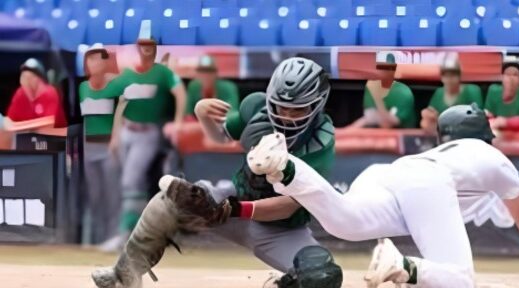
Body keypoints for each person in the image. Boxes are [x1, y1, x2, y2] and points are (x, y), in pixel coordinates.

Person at [247, 104, 519, 288]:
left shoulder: (445, 150)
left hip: (391, 171)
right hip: (427, 182)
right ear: (483, 134)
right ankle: (402, 265)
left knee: (343, 221)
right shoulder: (494, 157)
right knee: (460, 282)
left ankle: (286, 166)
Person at [92, 57, 342, 288]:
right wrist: (203, 115)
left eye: (296, 109)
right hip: (237, 196)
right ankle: (124, 273)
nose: (286, 117)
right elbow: (220, 137)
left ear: (317, 104)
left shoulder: (321, 139)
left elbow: (289, 205)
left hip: (281, 229)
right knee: (171, 199)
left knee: (321, 275)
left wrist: (236, 209)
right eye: (280, 107)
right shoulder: (256, 108)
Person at [101, 34, 187, 251]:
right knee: (126, 184)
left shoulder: (162, 73)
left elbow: (180, 93)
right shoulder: (129, 74)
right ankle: (128, 232)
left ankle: (129, 234)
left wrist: (177, 123)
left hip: (148, 133)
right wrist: (115, 135)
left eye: (150, 45)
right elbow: (120, 103)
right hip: (126, 132)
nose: (146, 49)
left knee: (132, 181)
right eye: (143, 45)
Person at [79, 45, 124, 244]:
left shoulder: (114, 86)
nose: (93, 63)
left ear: (106, 63)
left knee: (112, 194)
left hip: (108, 148)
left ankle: (114, 237)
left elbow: (128, 87)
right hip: (89, 148)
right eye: (90, 59)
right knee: (94, 195)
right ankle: (92, 239)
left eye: (98, 59)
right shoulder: (83, 88)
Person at [347, 55, 416, 129]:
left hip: (403, 134)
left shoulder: (403, 93)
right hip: (377, 132)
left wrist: (377, 96)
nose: (381, 72)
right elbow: (369, 117)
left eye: (386, 68)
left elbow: (387, 125)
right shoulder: (371, 86)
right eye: (379, 68)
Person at [421, 56, 483, 134]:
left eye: (453, 75)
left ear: (459, 76)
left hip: (466, 131)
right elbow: (430, 112)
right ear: (441, 78)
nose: (449, 79)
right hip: (443, 132)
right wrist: (427, 114)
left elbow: (477, 117)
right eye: (446, 76)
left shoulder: (472, 90)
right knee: (425, 122)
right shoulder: (439, 92)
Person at [6, 58, 67, 128]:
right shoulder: (20, 93)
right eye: (24, 76)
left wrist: (19, 126)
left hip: (55, 136)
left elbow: (48, 124)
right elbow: (9, 121)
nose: (27, 80)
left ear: (40, 79)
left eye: (30, 77)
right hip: (26, 136)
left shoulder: (50, 93)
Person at [485, 57, 519, 131]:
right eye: (507, 74)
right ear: (502, 78)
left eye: (515, 75)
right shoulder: (493, 90)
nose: (511, 78)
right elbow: (487, 117)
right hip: (498, 134)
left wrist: (504, 122)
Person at [185, 55, 239, 119]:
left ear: (216, 73)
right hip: (198, 125)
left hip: (221, 125)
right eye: (202, 72)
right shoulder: (193, 87)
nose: (205, 76)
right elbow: (188, 115)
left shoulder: (228, 88)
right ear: (197, 74)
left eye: (210, 71)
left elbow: (232, 116)